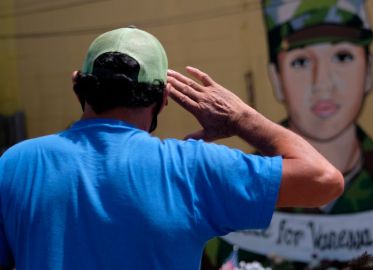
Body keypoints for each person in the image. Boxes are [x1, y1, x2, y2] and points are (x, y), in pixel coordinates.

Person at [0, 27, 344, 270]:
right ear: (164, 99)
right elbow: (324, 180)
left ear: (79, 85)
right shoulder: (192, 171)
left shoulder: (15, 165)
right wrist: (241, 119)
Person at [204, 1, 373, 269]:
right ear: (276, 77)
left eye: (342, 57)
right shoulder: (238, 192)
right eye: (301, 61)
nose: (323, 82)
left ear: (368, 69)